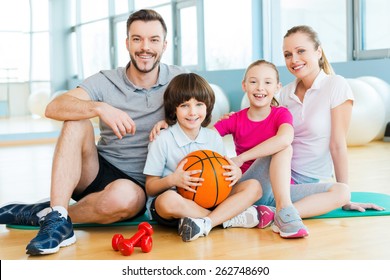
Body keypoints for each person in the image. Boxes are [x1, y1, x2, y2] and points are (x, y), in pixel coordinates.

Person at [0, 9, 187, 255]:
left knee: (126, 198)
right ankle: (58, 218)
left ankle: (48, 214)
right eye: (137, 39)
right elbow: (53, 107)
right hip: (98, 171)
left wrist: (174, 125)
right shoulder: (106, 80)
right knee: (75, 121)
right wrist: (99, 107)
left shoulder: (180, 79)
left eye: (153, 40)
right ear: (127, 43)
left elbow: (202, 118)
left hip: (144, 185)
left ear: (163, 45)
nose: (145, 47)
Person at [143, 73, 263, 242]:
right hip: (177, 204)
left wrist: (235, 173)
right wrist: (173, 180)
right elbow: (150, 187)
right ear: (173, 109)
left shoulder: (213, 137)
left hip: (210, 199)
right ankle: (228, 219)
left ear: (207, 107)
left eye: (199, 104)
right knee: (168, 201)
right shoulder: (162, 139)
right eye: (184, 105)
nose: (193, 112)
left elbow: (224, 177)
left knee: (254, 186)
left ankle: (206, 222)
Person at [277, 25, 383, 212]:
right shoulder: (284, 94)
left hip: (304, 179)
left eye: (301, 51)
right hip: (277, 171)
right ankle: (275, 210)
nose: (294, 60)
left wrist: (345, 196)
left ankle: (272, 212)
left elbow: (337, 145)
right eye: (287, 54)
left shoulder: (336, 85)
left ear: (318, 52)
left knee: (342, 192)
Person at [214, 59, 309, 238]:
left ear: (277, 87)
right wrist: (171, 126)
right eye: (253, 81)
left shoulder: (281, 114)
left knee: (341, 192)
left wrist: (241, 158)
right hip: (249, 186)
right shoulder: (234, 119)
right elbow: (203, 138)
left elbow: (285, 137)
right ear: (244, 86)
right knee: (282, 149)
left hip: (278, 191)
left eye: (267, 82)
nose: (260, 87)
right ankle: (285, 213)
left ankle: (272, 212)